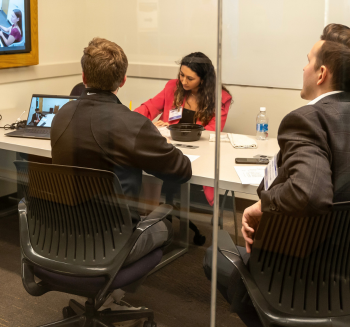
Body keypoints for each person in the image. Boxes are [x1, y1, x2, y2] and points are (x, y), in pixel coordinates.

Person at [204, 27, 350, 326]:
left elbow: (308, 193)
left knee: (213, 255)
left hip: (293, 273)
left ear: (321, 73)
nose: (303, 67)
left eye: (308, 60)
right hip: (342, 272)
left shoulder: (309, 118)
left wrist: (262, 204)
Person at [51, 38, 192, 318]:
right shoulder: (131, 123)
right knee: (163, 228)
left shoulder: (61, 114)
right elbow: (181, 169)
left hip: (59, 234)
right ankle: (111, 294)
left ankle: (105, 294)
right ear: (123, 80)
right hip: (109, 241)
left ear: (83, 77)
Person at [135, 52, 232, 206]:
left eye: (190, 78)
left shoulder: (220, 98)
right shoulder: (173, 86)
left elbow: (211, 131)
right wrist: (136, 121)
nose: (183, 81)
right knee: (148, 161)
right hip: (168, 149)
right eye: (181, 75)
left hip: (199, 154)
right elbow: (149, 107)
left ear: (204, 79)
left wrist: (175, 128)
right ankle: (149, 215)